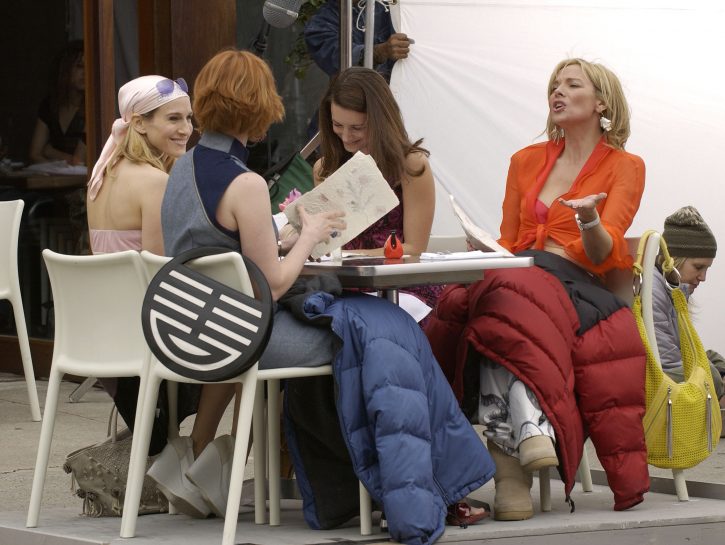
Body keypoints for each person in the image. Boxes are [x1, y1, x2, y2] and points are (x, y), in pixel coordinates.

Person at [153, 49, 493, 543]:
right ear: (259, 105)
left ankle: (357, 487)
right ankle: (417, 486)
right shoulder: (244, 182)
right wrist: (308, 236)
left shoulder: (182, 169)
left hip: (191, 326)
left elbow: (228, 257)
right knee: (383, 338)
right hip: (249, 332)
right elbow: (270, 283)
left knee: (378, 331)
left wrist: (294, 239)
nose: (346, 137)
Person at [425, 58, 650, 520]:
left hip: (581, 287)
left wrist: (587, 217)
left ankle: (511, 474)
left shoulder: (626, 165)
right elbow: (510, 239)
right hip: (521, 277)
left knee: (500, 304)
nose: (558, 92)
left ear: (601, 102)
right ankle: (525, 441)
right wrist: (483, 247)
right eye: (554, 85)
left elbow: (603, 250)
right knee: (500, 307)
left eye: (572, 84)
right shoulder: (524, 161)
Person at [85, 74, 194, 455]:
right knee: (247, 344)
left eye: (188, 118)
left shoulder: (102, 175)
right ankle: (183, 458)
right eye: (173, 119)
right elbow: (159, 274)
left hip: (102, 331)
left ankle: (159, 443)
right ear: (140, 123)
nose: (186, 130)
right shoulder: (153, 181)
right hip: (143, 335)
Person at [312, 66, 439, 310]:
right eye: (337, 125)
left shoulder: (411, 166)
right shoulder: (324, 169)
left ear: (380, 121)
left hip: (401, 287)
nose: (346, 137)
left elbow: (413, 249)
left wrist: (350, 257)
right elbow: (327, 243)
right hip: (342, 288)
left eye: (357, 128)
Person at [655, 205, 724, 400]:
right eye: (698, 267)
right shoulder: (653, 292)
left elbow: (683, 351)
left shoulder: (670, 290)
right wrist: (717, 378)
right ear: (675, 259)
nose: (703, 277)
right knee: (714, 374)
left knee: (714, 359)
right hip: (664, 393)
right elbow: (668, 366)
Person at [304, 0, 413, 82]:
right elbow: (341, 61)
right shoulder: (319, 24)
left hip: (402, 98)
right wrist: (379, 52)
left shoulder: (393, 6)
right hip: (353, 103)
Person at [29, 40, 86, 165]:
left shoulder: (92, 109)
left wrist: (50, 151)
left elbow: (78, 161)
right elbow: (34, 154)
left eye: (89, 67)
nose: (85, 72)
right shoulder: (51, 104)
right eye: (79, 66)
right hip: (50, 180)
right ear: (66, 69)